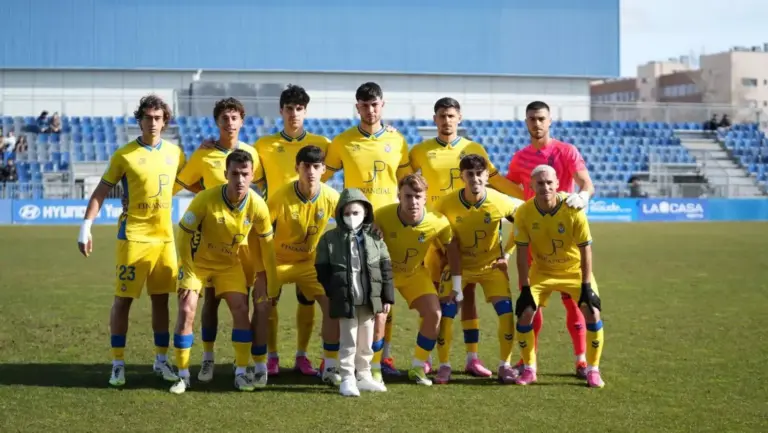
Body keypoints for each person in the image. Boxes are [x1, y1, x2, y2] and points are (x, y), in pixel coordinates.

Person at [410, 97, 525, 378]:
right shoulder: (418, 152)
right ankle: (429, 359)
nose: (446, 120)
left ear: (459, 118)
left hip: (473, 241)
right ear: (434, 118)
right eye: (441, 116)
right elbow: (405, 182)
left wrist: (531, 196)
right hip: (438, 232)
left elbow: (497, 183)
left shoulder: (474, 149)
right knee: (436, 301)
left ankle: (473, 358)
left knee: (468, 296)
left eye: (451, 115)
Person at [77, 95, 185, 387]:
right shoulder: (124, 155)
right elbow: (101, 191)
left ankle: (161, 361)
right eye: (148, 117)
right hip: (133, 237)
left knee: (161, 300)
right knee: (123, 300)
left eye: (158, 117)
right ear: (140, 120)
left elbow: (192, 181)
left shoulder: (175, 153)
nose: (153, 123)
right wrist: (86, 227)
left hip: (165, 239)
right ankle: (117, 363)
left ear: (165, 121)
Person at [321, 82, 411, 379]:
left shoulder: (398, 141)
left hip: (388, 227)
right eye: (364, 105)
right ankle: (334, 360)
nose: (370, 110)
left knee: (385, 294)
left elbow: (407, 180)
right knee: (349, 293)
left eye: (375, 104)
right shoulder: (343, 142)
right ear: (357, 107)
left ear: (382, 105)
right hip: (354, 228)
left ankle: (380, 360)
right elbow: (322, 175)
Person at [170, 149, 278, 394]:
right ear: (225, 174)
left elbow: (268, 246)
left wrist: (271, 281)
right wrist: (186, 268)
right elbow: (183, 233)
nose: (240, 179)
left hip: (230, 264)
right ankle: (184, 375)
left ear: (252, 176)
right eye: (235, 174)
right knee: (187, 309)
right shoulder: (205, 199)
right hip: (198, 264)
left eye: (245, 174)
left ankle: (240, 372)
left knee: (241, 310)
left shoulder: (257, 204)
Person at [173, 97, 264, 383]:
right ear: (217, 122)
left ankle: (245, 364)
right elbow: (185, 181)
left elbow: (256, 184)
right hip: (209, 237)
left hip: (242, 241)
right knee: (208, 301)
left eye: (234, 117)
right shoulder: (205, 153)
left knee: (241, 301)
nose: (229, 123)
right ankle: (208, 359)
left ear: (242, 121)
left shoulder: (251, 153)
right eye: (224, 118)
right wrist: (206, 198)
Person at [505, 100, 595, 378]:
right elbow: (511, 191)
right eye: (532, 119)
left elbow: (586, 183)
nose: (537, 123)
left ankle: (581, 360)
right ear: (526, 122)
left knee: (575, 301)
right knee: (531, 299)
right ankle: (528, 361)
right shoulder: (520, 158)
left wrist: (584, 197)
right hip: (533, 235)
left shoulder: (566, 151)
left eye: (541, 118)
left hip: (563, 234)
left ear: (550, 120)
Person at [253, 85, 332, 377]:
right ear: (281, 110)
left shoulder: (322, 142)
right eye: (289, 108)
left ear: (306, 111)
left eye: (299, 109)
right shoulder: (264, 144)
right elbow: (247, 174)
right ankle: (271, 356)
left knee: (307, 297)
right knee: (269, 297)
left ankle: (302, 355)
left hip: (309, 232)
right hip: (275, 230)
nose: (294, 114)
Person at [511, 165, 605, 388]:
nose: (545, 187)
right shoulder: (524, 212)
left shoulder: (572, 208)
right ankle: (530, 368)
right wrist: (525, 288)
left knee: (592, 312)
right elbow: (522, 255)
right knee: (525, 314)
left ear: (557, 184)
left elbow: (586, 249)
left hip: (574, 271)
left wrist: (585, 285)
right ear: (532, 186)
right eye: (540, 183)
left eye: (549, 183)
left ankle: (593, 369)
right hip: (542, 272)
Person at [433, 154, 523, 384]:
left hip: (491, 267)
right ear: (462, 176)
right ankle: (444, 365)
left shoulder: (500, 201)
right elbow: (433, 230)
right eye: (469, 174)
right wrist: (443, 253)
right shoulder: (445, 203)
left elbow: (523, 224)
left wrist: (508, 253)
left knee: (505, 313)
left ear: (486, 175)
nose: (475, 178)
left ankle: (504, 365)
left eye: (479, 173)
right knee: (446, 315)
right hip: (458, 269)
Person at [374, 173, 462, 385]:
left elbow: (453, 251)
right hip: (385, 274)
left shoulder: (438, 222)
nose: (412, 201)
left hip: (414, 273)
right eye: (407, 196)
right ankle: (374, 369)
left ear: (425, 198)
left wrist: (456, 286)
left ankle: (417, 367)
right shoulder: (381, 216)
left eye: (417, 196)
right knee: (380, 315)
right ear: (399, 196)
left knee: (434, 314)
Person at [314, 188, 395, 396]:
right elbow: (322, 268)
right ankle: (347, 377)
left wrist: (386, 296)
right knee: (348, 339)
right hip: (345, 298)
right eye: (347, 213)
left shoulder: (375, 238)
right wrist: (334, 290)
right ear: (340, 214)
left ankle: (364, 375)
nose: (351, 217)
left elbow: (385, 269)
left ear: (366, 213)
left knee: (366, 339)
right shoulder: (330, 239)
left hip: (368, 299)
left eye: (356, 212)